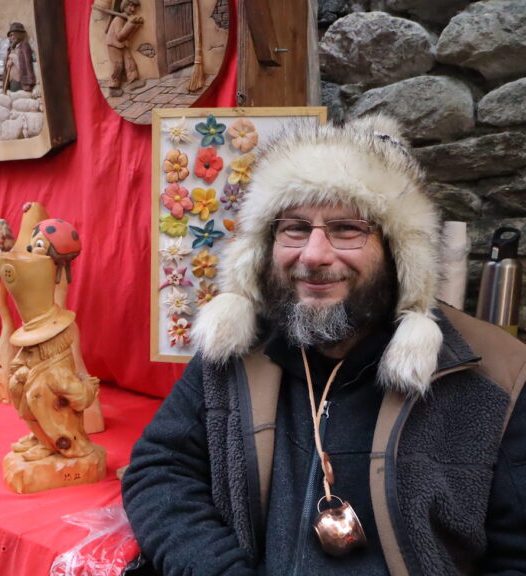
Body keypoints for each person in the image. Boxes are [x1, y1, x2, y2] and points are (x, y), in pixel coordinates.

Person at [122, 115, 526, 575]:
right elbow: (160, 470)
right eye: (294, 227)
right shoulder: (240, 350)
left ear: (397, 250)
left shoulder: (495, 376)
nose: (313, 255)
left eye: (347, 228)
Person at [105, 0, 144, 95]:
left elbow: (128, 36)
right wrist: (130, 24)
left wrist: (136, 25)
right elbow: (120, 37)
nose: (133, 9)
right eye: (131, 6)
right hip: (114, 44)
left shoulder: (126, 19)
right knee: (118, 65)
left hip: (122, 44)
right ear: (124, 6)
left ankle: (133, 80)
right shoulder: (118, 19)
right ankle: (113, 87)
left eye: (134, 7)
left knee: (130, 62)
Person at [5, 22, 36, 93]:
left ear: (19, 34)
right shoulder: (10, 50)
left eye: (12, 35)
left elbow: (27, 64)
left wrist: (14, 58)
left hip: (21, 81)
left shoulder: (24, 46)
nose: (10, 38)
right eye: (9, 36)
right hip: (12, 81)